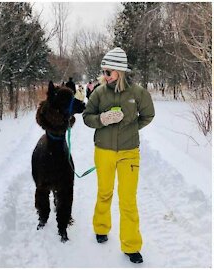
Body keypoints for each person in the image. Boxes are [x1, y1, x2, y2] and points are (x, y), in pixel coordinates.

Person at [83, 47, 155, 264]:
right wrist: (102, 120)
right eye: (103, 72)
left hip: (129, 152)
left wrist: (130, 128)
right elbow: (87, 117)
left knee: (128, 199)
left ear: (120, 71)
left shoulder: (138, 93)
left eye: (108, 72)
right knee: (105, 192)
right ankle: (101, 227)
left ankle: (131, 245)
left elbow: (148, 115)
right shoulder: (98, 92)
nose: (104, 76)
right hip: (103, 151)